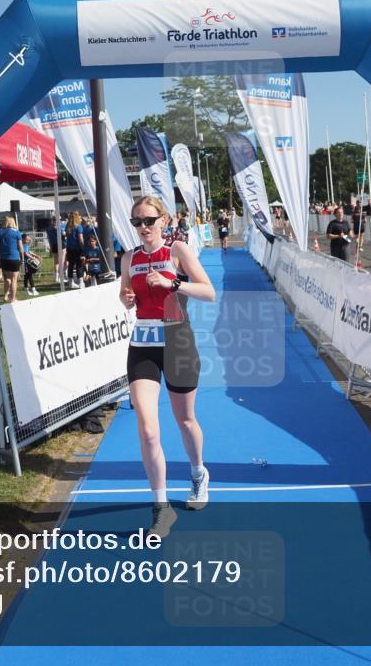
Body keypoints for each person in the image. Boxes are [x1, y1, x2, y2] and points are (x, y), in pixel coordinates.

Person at [120, 196, 216, 538]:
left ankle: (198, 473)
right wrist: (126, 298)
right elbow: (124, 293)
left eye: (149, 220)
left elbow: (208, 292)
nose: (143, 227)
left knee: (185, 420)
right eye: (137, 222)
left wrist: (172, 283)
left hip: (177, 341)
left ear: (163, 220)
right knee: (147, 429)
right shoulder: (129, 257)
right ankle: (161, 509)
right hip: (143, 344)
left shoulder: (178, 251)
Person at [0, 216, 25, 302]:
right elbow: (20, 247)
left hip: (4, 258)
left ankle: (5, 296)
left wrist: (0, 254)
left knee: (7, 278)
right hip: (14, 258)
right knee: (14, 279)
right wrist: (22, 258)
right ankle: (13, 298)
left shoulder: (0, 232)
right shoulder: (16, 232)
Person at [65, 212, 84, 289]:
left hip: (69, 248)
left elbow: (67, 236)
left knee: (71, 265)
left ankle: (70, 282)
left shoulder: (67, 226)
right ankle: (81, 282)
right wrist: (83, 248)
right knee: (79, 265)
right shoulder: (79, 226)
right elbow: (81, 239)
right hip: (77, 248)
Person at [45, 218, 62, 283]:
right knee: (61, 261)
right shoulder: (58, 227)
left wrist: (50, 246)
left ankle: (56, 277)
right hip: (60, 244)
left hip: (53, 245)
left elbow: (49, 238)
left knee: (56, 262)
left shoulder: (48, 228)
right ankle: (60, 276)